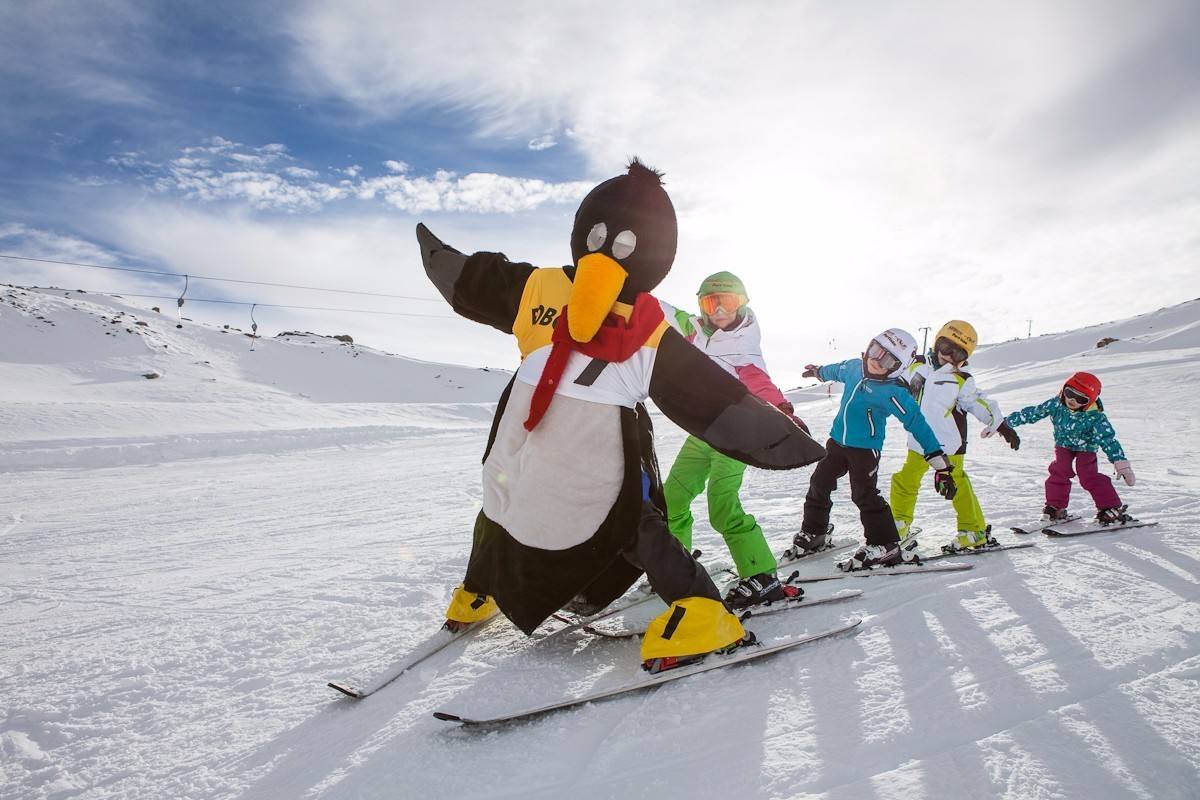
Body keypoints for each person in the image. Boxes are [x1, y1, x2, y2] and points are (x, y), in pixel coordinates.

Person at [417, 160, 824, 673]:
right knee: (499, 504)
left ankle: (702, 610)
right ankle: (482, 588)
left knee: (630, 521)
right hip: (527, 439)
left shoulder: (647, 321)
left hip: (602, 445)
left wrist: (776, 431)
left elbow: (707, 393)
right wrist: (445, 262)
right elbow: (476, 282)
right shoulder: (539, 287)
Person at [662, 271, 810, 609]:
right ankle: (673, 566)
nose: (718, 311)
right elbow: (663, 311)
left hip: (734, 437)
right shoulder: (694, 331)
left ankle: (762, 576)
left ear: (740, 303)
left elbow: (761, 385)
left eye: (725, 302)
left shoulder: (744, 347)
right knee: (671, 500)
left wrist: (785, 411)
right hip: (701, 432)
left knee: (722, 506)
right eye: (709, 303)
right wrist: (628, 285)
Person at [788, 328, 957, 571]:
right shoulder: (854, 368)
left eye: (887, 359)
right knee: (819, 483)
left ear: (898, 367)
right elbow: (836, 369)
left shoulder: (892, 391)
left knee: (864, 495)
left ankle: (885, 544)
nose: (876, 360)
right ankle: (814, 533)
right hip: (836, 443)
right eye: (875, 350)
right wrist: (819, 371)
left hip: (865, 451)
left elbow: (917, 423)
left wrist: (940, 463)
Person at [888, 320, 1021, 552]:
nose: (949, 356)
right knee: (905, 481)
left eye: (958, 353)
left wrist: (1000, 424)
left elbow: (977, 402)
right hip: (919, 441)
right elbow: (893, 380)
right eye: (946, 348)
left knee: (957, 485)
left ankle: (973, 531)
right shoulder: (916, 366)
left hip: (949, 445)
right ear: (937, 343)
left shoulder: (962, 379)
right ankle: (898, 524)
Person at [1002, 371, 1135, 525]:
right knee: (1059, 470)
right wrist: (1005, 423)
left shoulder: (1095, 417)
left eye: (1080, 398)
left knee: (1087, 476)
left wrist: (1120, 462)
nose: (1072, 400)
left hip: (1086, 448)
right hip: (1063, 444)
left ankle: (1110, 507)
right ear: (1064, 389)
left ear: (1088, 401)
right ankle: (1055, 507)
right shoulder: (1056, 404)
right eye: (1069, 393)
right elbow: (1034, 413)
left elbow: (1108, 440)